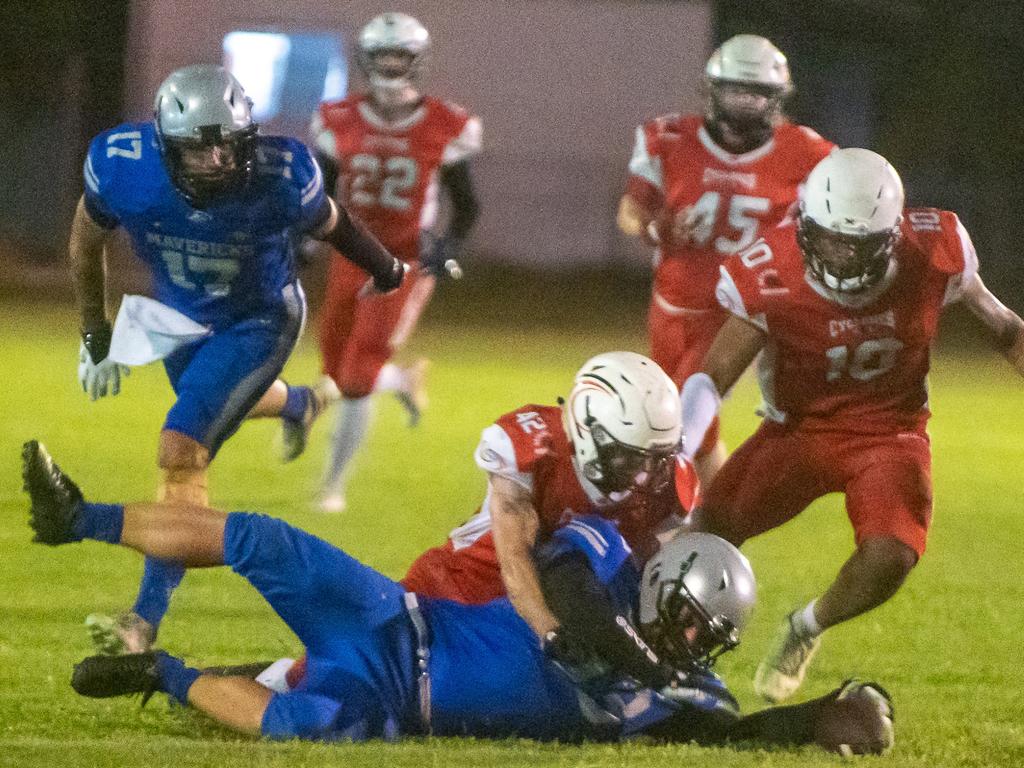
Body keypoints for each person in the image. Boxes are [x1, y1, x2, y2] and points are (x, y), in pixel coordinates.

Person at [22, 441, 893, 754]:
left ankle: (165, 675)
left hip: (404, 703)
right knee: (262, 539)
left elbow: (732, 734)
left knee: (307, 728)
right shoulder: (609, 563)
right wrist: (636, 652)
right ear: (662, 589)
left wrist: (828, 714)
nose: (696, 645)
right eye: (692, 623)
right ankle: (78, 517)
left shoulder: (683, 693)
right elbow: (568, 592)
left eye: (710, 636)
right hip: (397, 622)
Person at [71, 63, 406, 655]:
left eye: (228, 147)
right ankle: (299, 403)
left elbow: (334, 224)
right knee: (214, 404)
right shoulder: (123, 166)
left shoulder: (283, 174)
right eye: (200, 153)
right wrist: (94, 333)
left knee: (182, 447)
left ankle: (143, 623)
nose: (219, 163)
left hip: (259, 320)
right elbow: (85, 241)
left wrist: (387, 269)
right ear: (163, 145)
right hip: (180, 320)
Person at [678, 147, 1024, 703]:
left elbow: (1007, 329)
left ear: (890, 237)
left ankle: (805, 627)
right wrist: (679, 445)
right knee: (701, 537)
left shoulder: (935, 251)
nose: (839, 255)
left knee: (893, 555)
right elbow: (712, 376)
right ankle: (669, 654)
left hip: (891, 432)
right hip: (797, 433)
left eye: (855, 242)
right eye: (829, 237)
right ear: (806, 226)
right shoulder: (771, 270)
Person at [617, 34, 835, 486]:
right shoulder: (670, 137)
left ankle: (667, 523)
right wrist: (655, 228)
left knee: (670, 421)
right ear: (713, 90)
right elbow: (629, 211)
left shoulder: (807, 154)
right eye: (737, 91)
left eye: (757, 94)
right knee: (701, 431)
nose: (746, 104)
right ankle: (721, 525)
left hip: (740, 311)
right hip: (671, 304)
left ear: (776, 99)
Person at [309, 12, 482, 512]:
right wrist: (300, 239)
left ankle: (332, 487)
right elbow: (317, 192)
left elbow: (467, 204)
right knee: (336, 373)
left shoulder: (446, 123)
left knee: (359, 376)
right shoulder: (337, 117)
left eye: (398, 55)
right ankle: (404, 380)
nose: (388, 64)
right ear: (366, 59)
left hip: (405, 260)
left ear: (417, 62)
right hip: (349, 253)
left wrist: (447, 246)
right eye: (381, 55)